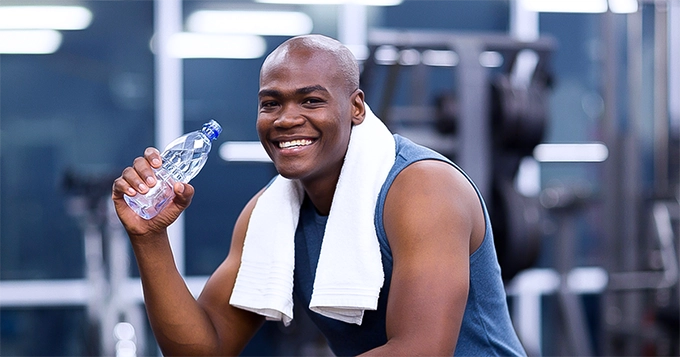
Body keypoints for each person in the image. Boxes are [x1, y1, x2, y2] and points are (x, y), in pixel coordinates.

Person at [112, 34, 527, 357]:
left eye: (311, 101)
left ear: (356, 108)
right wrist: (149, 240)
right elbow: (207, 349)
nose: (287, 119)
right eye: (270, 104)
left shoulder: (423, 189)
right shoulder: (270, 212)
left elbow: (419, 350)